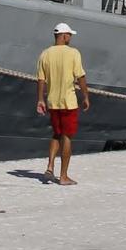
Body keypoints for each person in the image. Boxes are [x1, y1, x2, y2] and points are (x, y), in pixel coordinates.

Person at [35, 22, 90, 185]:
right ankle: (64, 176)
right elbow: (80, 77)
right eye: (70, 35)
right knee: (67, 137)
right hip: (68, 102)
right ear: (64, 36)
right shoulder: (73, 53)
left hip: (52, 102)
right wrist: (86, 96)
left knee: (56, 134)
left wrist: (40, 99)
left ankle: (50, 167)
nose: (70, 38)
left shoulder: (45, 54)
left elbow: (41, 79)